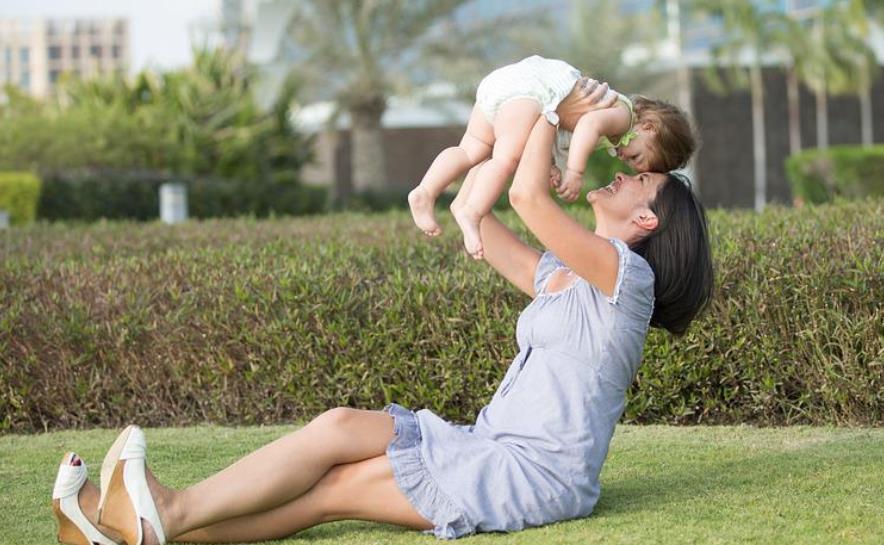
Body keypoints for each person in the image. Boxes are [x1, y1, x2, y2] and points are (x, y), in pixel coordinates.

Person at [51, 92, 713, 545]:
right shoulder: (563, 275)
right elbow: (480, 212)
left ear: (647, 220)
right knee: (338, 428)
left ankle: (157, 517)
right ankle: (132, 525)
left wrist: (549, 95)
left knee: (336, 489)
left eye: (639, 183)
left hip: (533, 474)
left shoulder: (630, 280)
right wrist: (507, 129)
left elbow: (527, 196)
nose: (623, 174)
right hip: (484, 441)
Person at [408, 54, 696, 259]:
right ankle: (472, 211)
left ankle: (425, 191)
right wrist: (574, 172)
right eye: (636, 159)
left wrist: (550, 165)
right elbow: (586, 124)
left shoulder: (614, 125)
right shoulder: (623, 116)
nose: (626, 161)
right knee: (505, 159)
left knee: (471, 149)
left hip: (507, 85)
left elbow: (557, 128)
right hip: (533, 91)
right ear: (649, 128)